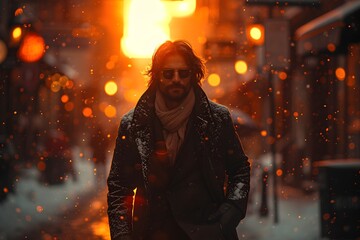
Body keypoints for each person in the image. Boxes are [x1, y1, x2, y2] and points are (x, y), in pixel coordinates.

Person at [107, 40, 250, 240]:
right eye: (168, 73)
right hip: (152, 233)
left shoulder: (217, 119)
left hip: (206, 232)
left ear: (193, 75)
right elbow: (119, 186)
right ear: (157, 76)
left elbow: (239, 169)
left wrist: (230, 212)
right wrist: (122, 235)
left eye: (183, 73)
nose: (176, 79)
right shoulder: (133, 124)